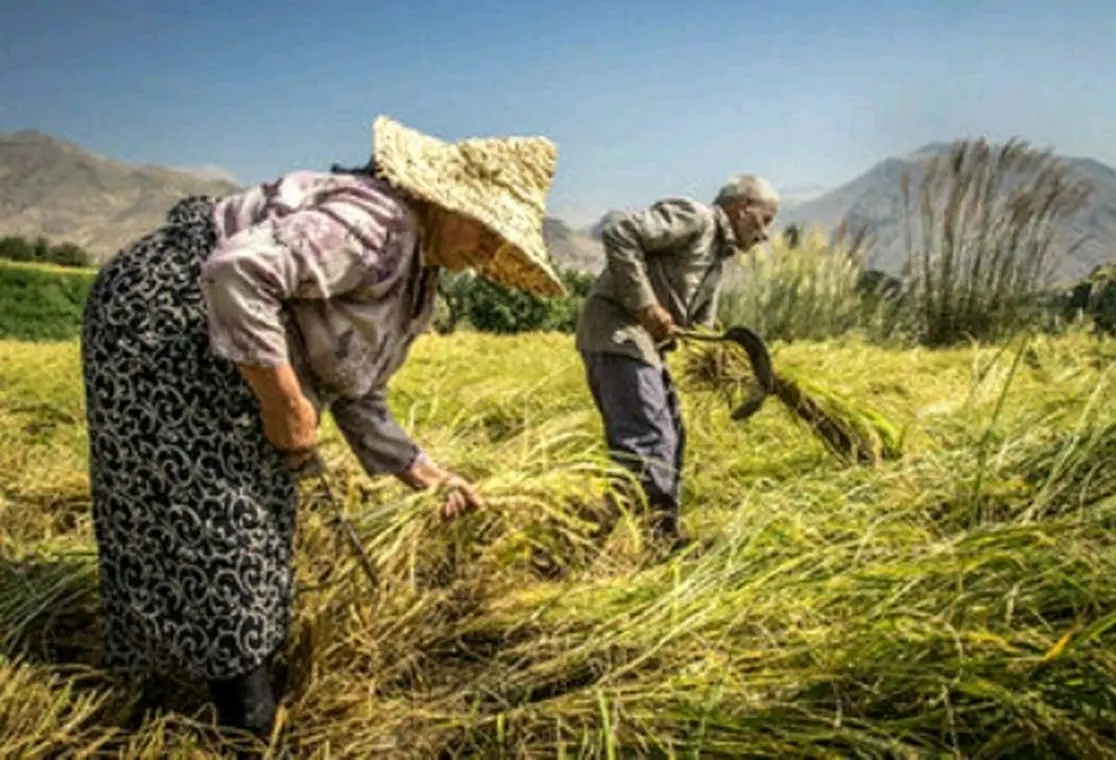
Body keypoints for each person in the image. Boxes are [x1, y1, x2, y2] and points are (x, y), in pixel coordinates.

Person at [80, 114, 566, 744]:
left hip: (219, 333)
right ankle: (236, 718)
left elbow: (356, 388)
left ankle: (202, 688)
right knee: (219, 519)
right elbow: (238, 271)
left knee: (248, 516)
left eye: (504, 244)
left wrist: (424, 471)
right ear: (446, 200)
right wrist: (283, 401)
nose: (489, 252)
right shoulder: (379, 227)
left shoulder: (418, 276)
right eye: (486, 229)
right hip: (164, 319)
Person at [574, 175, 780, 545]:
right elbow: (620, 233)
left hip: (646, 347)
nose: (765, 234)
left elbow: (700, 327)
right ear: (742, 207)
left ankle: (645, 529)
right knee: (649, 438)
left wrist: (727, 364)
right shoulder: (695, 218)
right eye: (765, 220)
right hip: (619, 333)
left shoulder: (717, 258)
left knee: (673, 436)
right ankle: (649, 541)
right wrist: (646, 304)